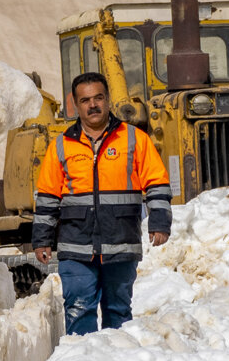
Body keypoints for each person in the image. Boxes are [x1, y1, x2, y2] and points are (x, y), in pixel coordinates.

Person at [31, 72, 172, 335]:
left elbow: (157, 182)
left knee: (118, 311)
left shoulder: (134, 139)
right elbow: (48, 196)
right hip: (76, 246)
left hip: (121, 242)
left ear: (108, 100)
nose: (92, 105)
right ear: (75, 104)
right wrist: (42, 239)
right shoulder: (61, 145)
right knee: (79, 307)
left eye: (98, 98)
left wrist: (160, 222)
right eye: (85, 100)